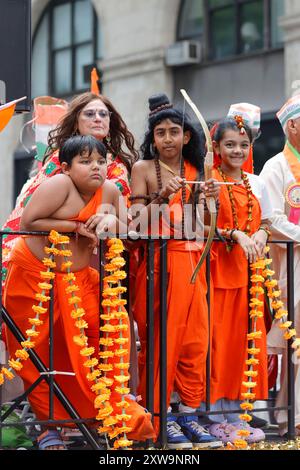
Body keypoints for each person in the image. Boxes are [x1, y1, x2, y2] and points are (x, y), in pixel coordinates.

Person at [3, 135, 155, 450]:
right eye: (85, 162)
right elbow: (29, 221)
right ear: (67, 167)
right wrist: (75, 226)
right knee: (39, 355)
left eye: (101, 161)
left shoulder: (110, 190)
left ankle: (98, 412)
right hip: (34, 279)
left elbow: (129, 229)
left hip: (81, 279)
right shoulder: (59, 186)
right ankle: (50, 427)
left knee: (110, 334)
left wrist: (113, 217)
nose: (95, 167)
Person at [130, 93, 221, 449]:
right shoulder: (142, 169)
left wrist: (209, 198)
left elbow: (204, 226)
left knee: (195, 343)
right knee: (160, 342)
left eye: (174, 132)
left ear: (187, 137)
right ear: (152, 139)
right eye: (160, 133)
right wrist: (161, 196)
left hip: (194, 264)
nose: (167, 139)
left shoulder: (198, 171)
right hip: (159, 265)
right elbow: (135, 225)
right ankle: (158, 417)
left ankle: (187, 414)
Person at [2, 91, 138, 284]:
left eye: (103, 114)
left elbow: (126, 222)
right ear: (76, 122)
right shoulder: (59, 159)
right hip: (52, 252)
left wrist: (110, 220)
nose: (98, 119)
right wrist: (76, 225)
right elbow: (29, 207)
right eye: (90, 114)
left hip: (101, 255)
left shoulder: (119, 166)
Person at [207, 116, 272, 444]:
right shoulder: (208, 181)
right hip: (217, 273)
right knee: (217, 344)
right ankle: (213, 416)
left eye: (243, 145)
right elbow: (200, 225)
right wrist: (234, 234)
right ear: (216, 147)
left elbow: (267, 221)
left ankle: (234, 414)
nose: (237, 150)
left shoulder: (253, 182)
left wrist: (260, 232)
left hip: (249, 274)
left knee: (241, 345)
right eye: (230, 144)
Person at [260, 94, 300, 437]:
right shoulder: (275, 166)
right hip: (292, 265)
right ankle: (291, 417)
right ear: (292, 126)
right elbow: (270, 218)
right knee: (294, 343)